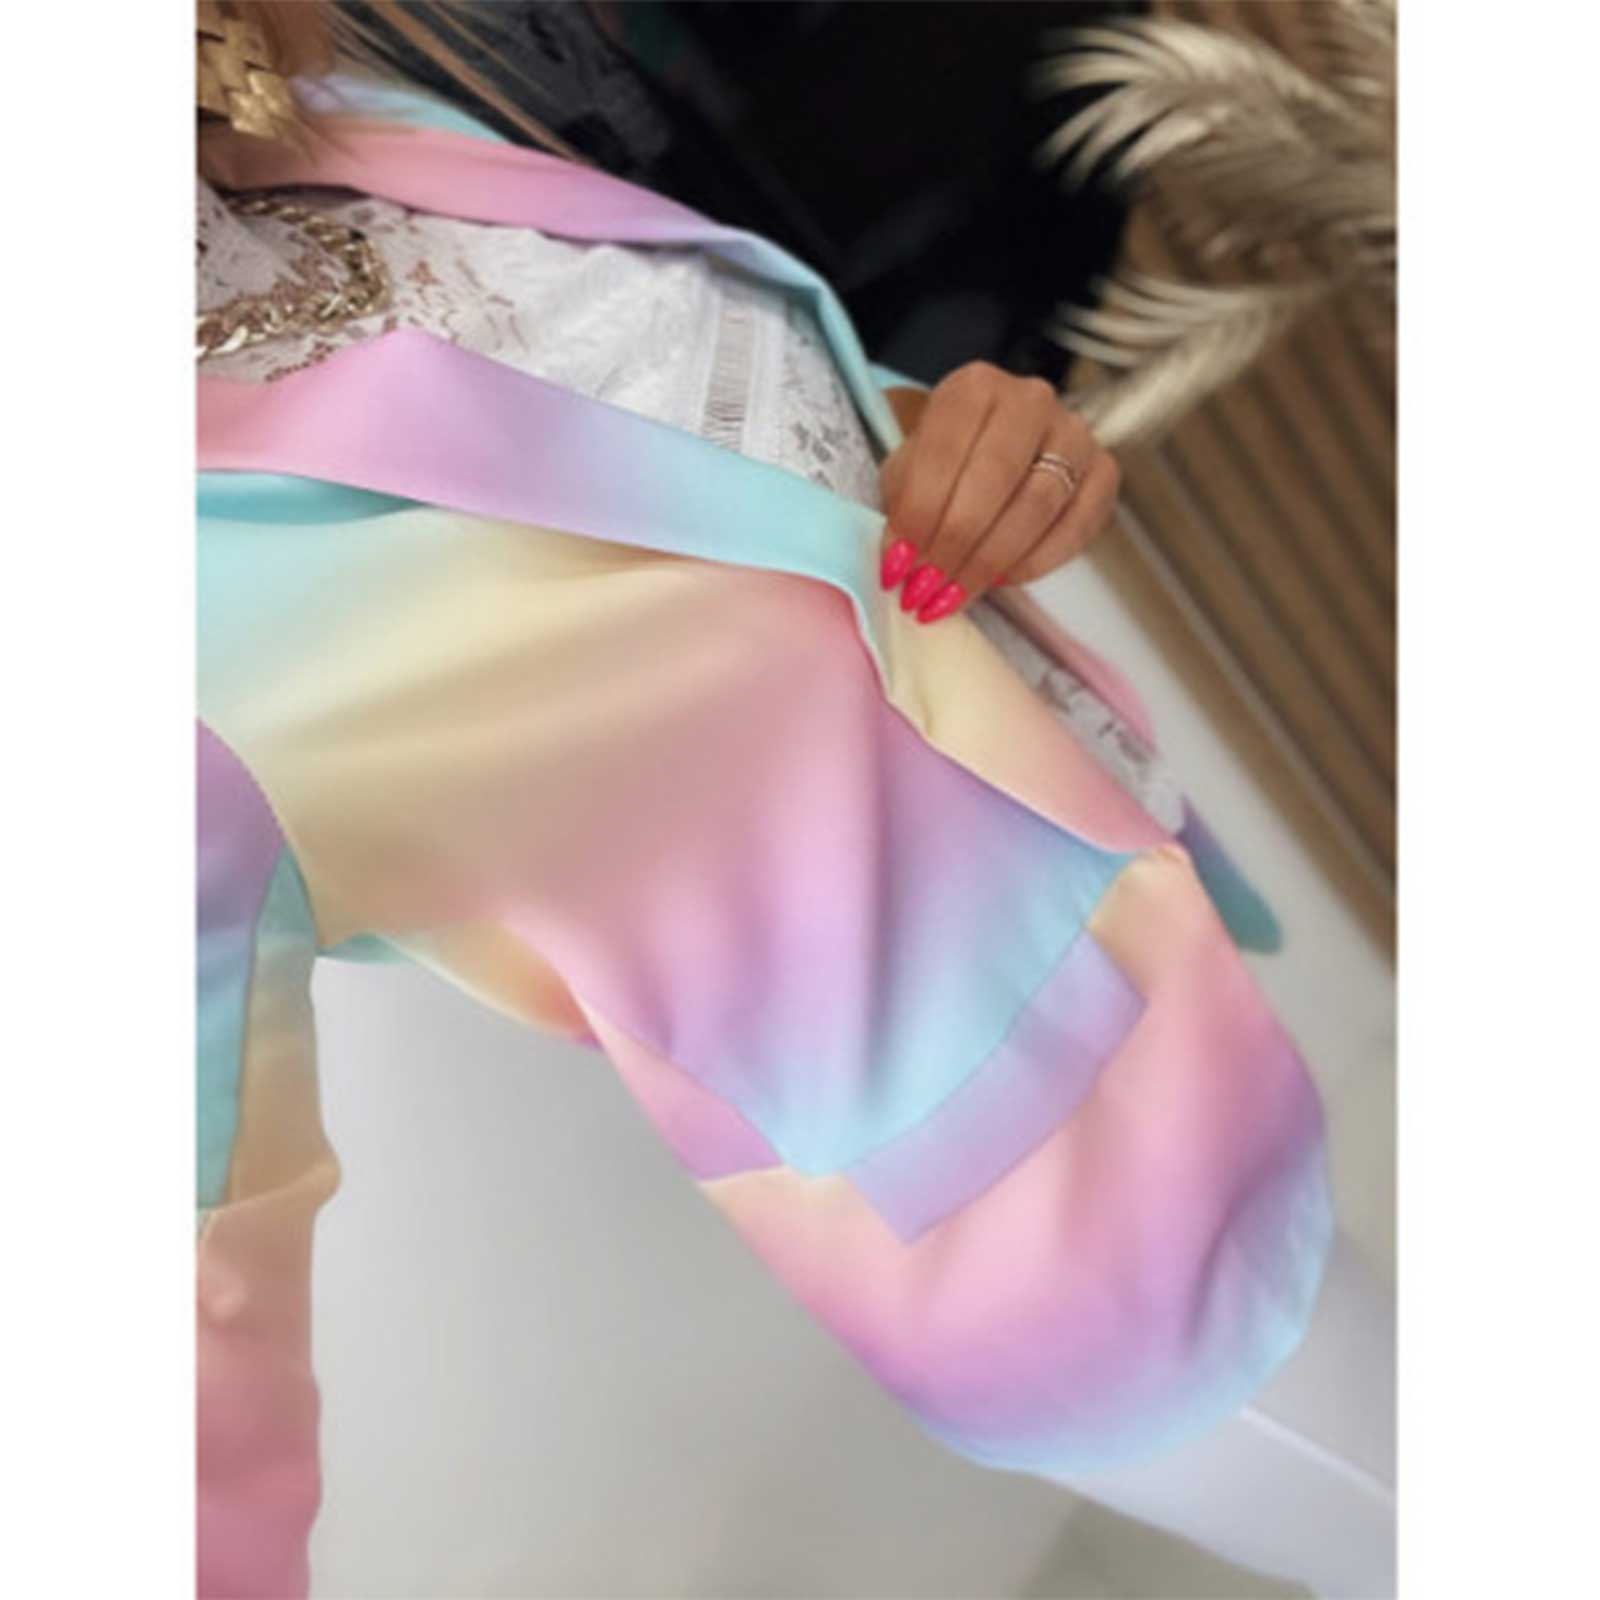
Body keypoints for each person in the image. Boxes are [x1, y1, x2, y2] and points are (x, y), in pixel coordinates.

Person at [196, 4, 1388, 1596]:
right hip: (1075, 1250)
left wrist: (966, 444)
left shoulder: (327, 137)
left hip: (1160, 950)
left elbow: (744, 461)